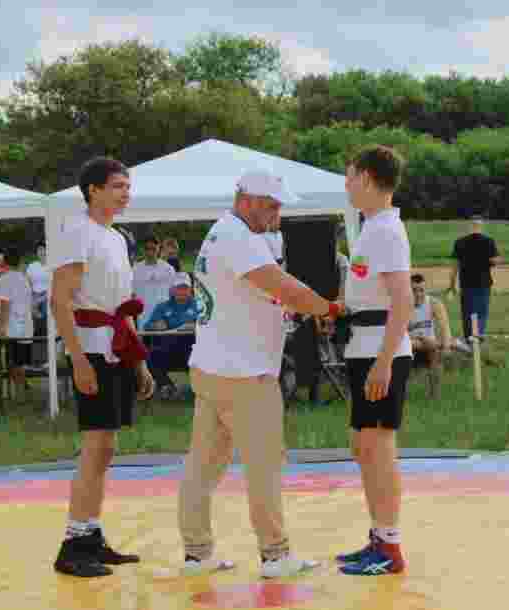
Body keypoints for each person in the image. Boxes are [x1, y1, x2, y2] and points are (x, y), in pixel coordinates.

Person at [179, 169, 342, 579]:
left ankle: (197, 553)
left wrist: (294, 307)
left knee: (203, 466)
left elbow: (258, 294)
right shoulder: (239, 239)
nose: (277, 212)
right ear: (246, 200)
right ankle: (275, 554)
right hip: (245, 373)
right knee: (265, 466)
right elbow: (283, 286)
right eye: (271, 205)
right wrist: (330, 308)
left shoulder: (221, 232)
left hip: (212, 366)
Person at [49, 157, 156, 578]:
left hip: (115, 347)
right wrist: (77, 359)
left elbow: (123, 306)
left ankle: (91, 535)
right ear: (93, 190)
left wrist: (140, 362)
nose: (125, 194)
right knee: (95, 447)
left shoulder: (114, 238)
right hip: (91, 348)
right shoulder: (76, 232)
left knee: (107, 447)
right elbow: (60, 300)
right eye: (117, 186)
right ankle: (74, 543)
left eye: (128, 187)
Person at [332, 145, 414, 576]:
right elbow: (370, 294)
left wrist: (384, 362)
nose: (346, 185)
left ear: (364, 177)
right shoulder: (370, 229)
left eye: (348, 177)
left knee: (379, 448)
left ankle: (390, 545)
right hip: (362, 347)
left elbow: (403, 300)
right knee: (364, 447)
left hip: (380, 352)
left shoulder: (385, 230)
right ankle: (378, 536)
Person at [144, 272, 200, 399]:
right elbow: (147, 326)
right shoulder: (162, 306)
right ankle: (167, 386)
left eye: (185, 288)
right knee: (149, 355)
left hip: (191, 350)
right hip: (167, 351)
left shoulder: (199, 305)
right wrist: (155, 326)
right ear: (172, 290)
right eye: (178, 288)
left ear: (191, 289)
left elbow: (209, 326)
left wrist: (196, 326)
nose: (181, 291)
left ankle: (197, 389)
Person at [447, 216, 501, 342]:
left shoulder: (459, 242)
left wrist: (452, 285)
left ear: (469, 226)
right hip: (483, 284)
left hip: (466, 284)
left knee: (467, 313)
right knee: (481, 312)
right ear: (480, 226)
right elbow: (495, 260)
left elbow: (455, 266)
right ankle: (479, 338)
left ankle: (468, 339)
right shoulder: (488, 241)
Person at [408, 273, 452, 399]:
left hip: (430, 345)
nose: (418, 294)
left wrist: (447, 346)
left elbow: (445, 327)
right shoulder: (402, 305)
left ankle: (434, 395)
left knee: (434, 351)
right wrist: (417, 341)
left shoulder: (434, 303)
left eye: (421, 290)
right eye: (414, 290)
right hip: (409, 346)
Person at [0, 248, 34, 390]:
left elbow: (5, 306)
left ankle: (19, 388)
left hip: (12, 326)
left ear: (4, 262)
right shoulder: (25, 278)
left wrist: (1, 328)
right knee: (21, 361)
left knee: (11, 362)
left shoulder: (4, 280)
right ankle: (23, 387)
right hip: (27, 324)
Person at [132, 234, 177, 328]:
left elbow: (173, 294)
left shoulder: (168, 269)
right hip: (143, 318)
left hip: (163, 319)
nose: (150, 252)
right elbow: (132, 295)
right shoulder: (135, 269)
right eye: (147, 248)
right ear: (143, 249)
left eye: (153, 248)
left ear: (158, 248)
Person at [26, 241, 52, 367]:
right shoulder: (32, 266)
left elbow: (52, 287)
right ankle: (35, 359)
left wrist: (40, 300)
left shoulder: (52, 266)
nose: (42, 252)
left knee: (45, 327)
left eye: (44, 249)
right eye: (40, 249)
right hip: (33, 299)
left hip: (47, 299)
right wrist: (32, 302)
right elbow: (28, 285)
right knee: (34, 329)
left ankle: (46, 359)